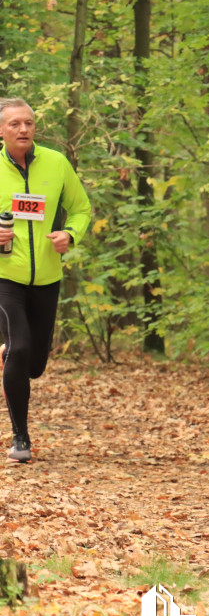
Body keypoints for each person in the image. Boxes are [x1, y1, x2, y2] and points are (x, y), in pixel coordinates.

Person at [0, 98, 91, 464]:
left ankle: (9, 354)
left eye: (29, 123)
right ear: (1, 130)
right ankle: (21, 437)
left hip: (47, 278)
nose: (23, 130)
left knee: (35, 363)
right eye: (15, 124)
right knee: (19, 349)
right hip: (5, 276)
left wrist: (71, 234)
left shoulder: (56, 163)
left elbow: (82, 208)